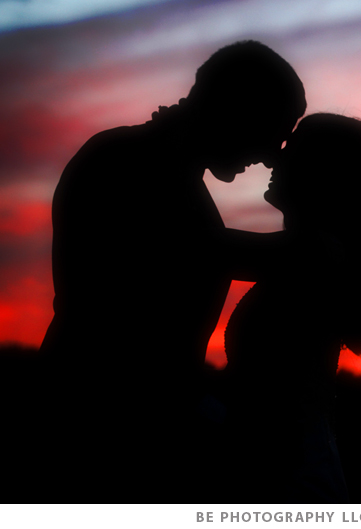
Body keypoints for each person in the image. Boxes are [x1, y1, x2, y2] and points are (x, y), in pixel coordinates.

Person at [35, 41, 306, 499]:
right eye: (272, 132)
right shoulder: (121, 161)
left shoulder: (168, 178)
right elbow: (208, 253)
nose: (271, 156)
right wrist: (321, 243)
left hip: (134, 434)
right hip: (92, 430)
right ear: (234, 107)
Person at [220, 113, 361, 503]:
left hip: (292, 482)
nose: (274, 159)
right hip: (286, 474)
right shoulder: (311, 253)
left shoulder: (314, 253)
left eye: (291, 147)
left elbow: (201, 248)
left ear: (320, 171)